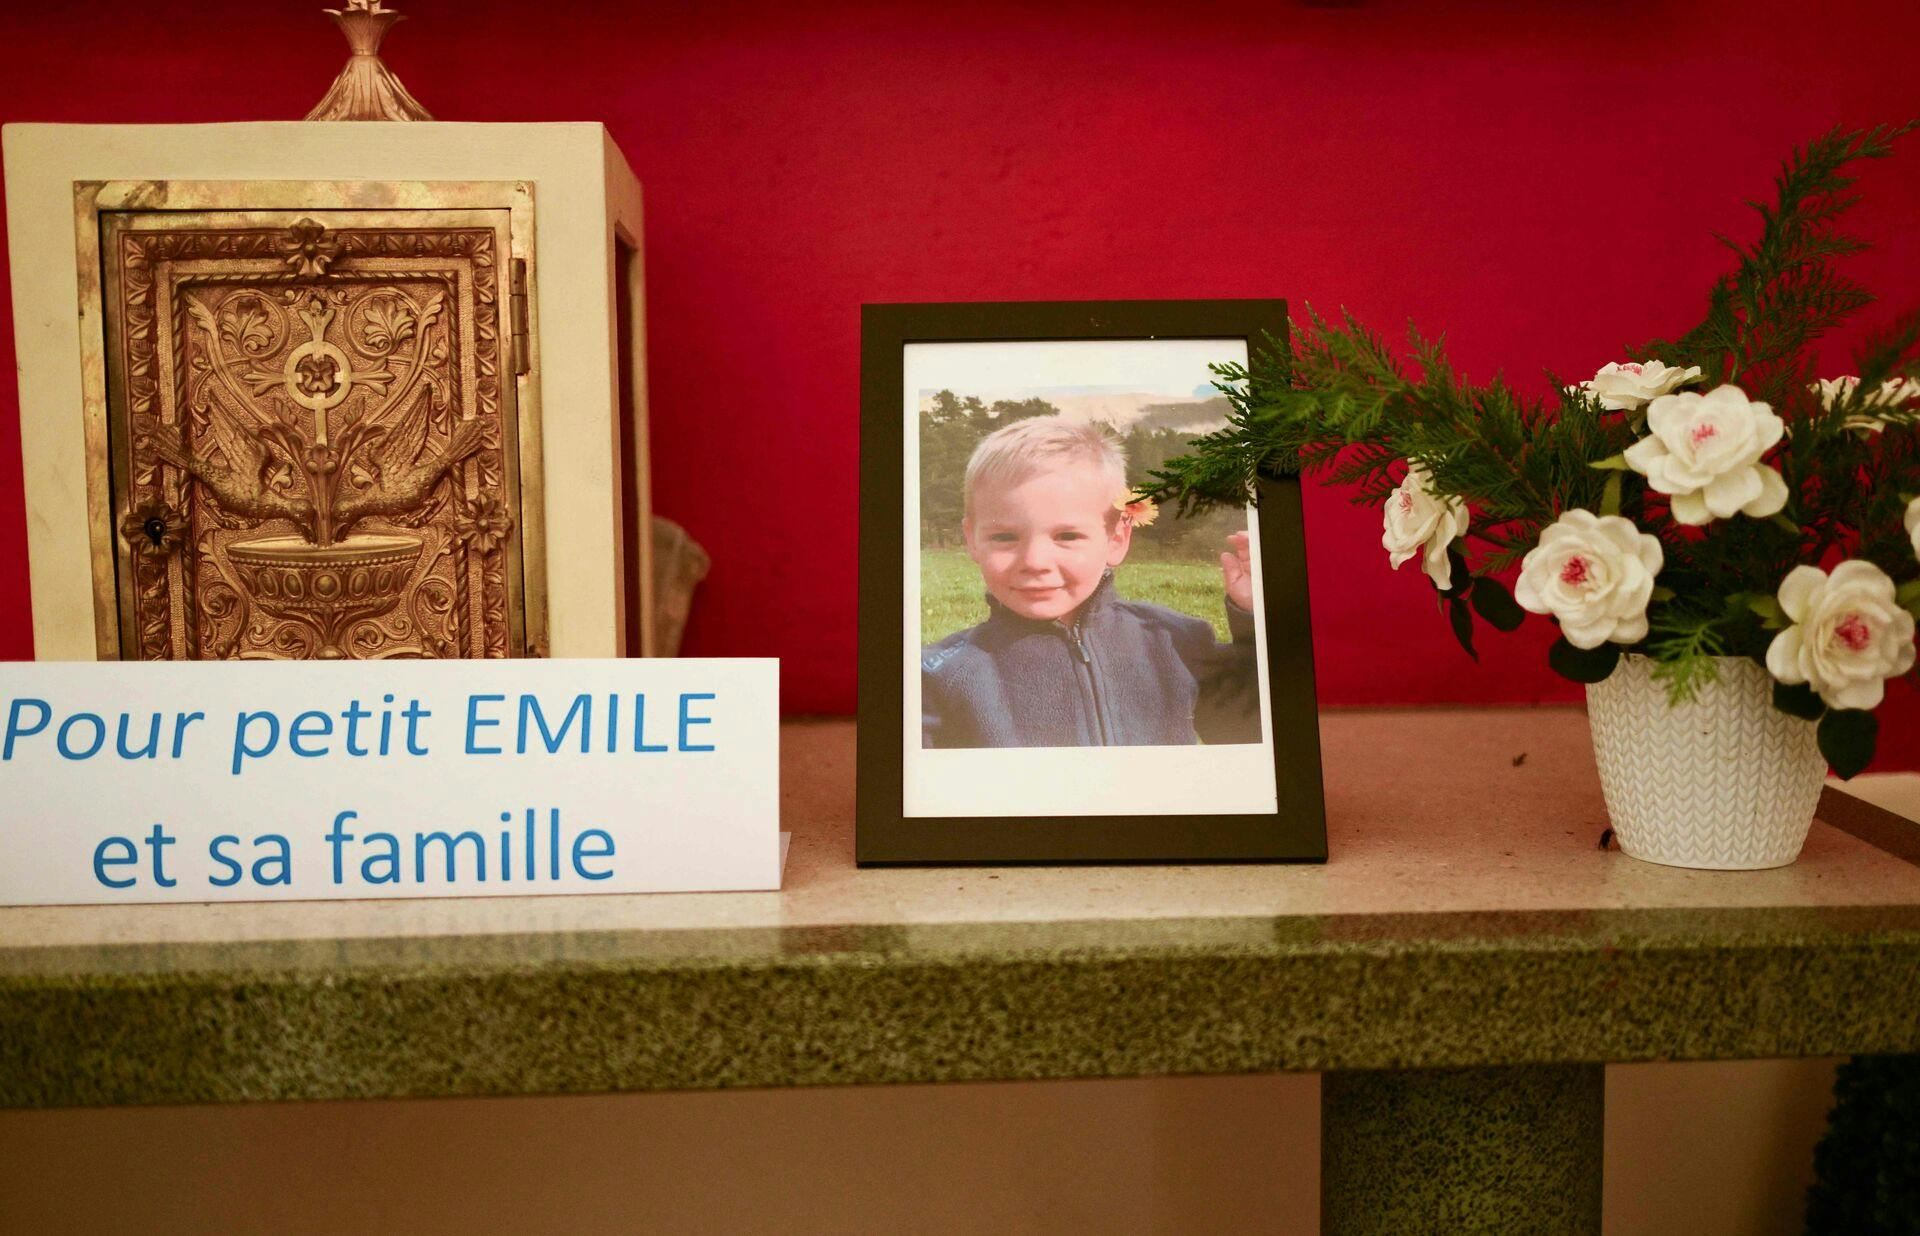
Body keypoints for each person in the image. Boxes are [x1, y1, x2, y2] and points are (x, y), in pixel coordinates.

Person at [921, 417, 1262, 748]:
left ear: (1116, 539)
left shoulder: (1177, 641)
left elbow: (1254, 734)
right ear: (972, 539)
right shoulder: (938, 676)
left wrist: (1255, 619)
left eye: (1067, 536)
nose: (1035, 561)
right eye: (1005, 537)